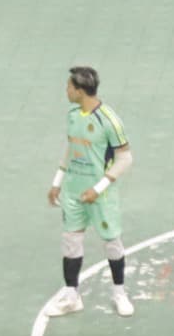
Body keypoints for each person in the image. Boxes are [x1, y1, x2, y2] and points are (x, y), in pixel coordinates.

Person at [45, 65, 133, 318]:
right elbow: (71, 148)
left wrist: (98, 188)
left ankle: (119, 293)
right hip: (73, 192)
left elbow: (125, 158)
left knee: (112, 242)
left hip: (100, 195)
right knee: (70, 241)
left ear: (80, 91)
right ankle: (71, 296)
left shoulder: (109, 120)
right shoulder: (73, 115)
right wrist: (57, 181)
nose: (66, 90)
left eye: (69, 87)